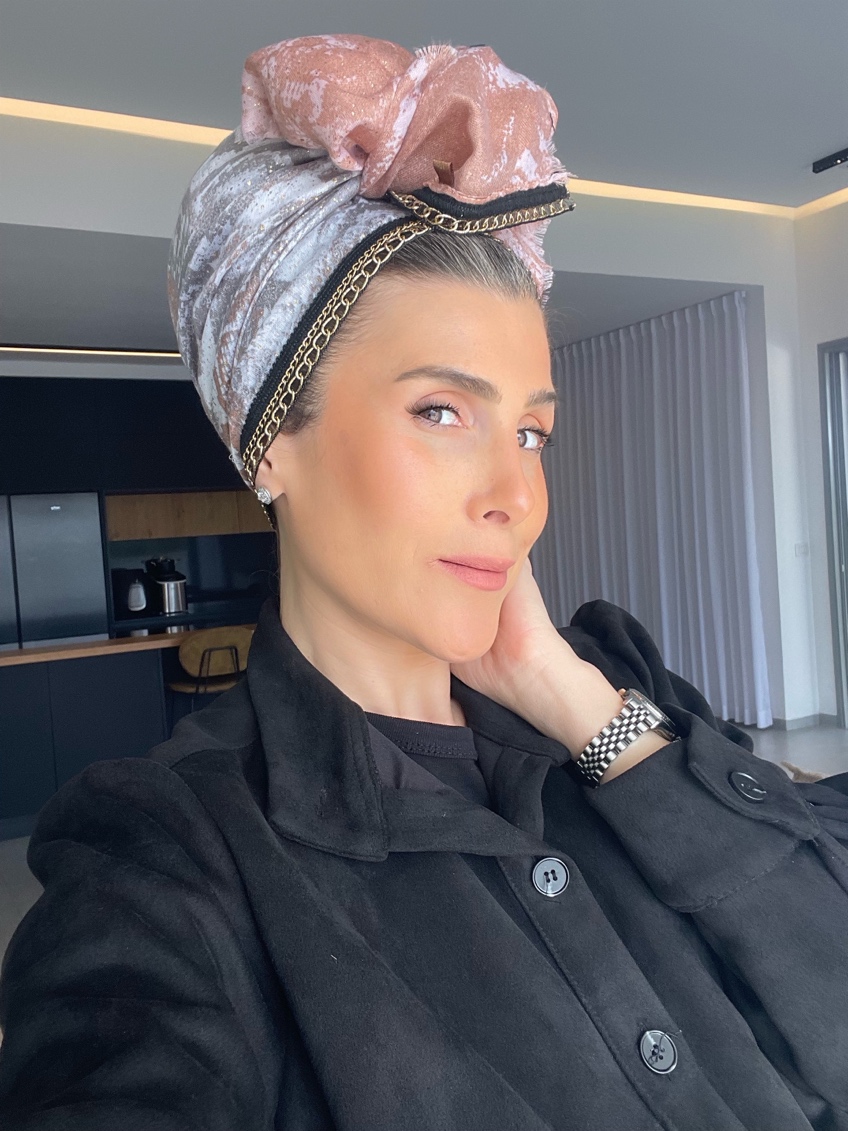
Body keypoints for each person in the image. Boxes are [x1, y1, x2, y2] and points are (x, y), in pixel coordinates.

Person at [1, 33, 847, 1131]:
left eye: (531, 432)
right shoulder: (169, 859)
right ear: (270, 442)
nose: (516, 496)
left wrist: (580, 708)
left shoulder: (613, 686)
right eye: (441, 411)